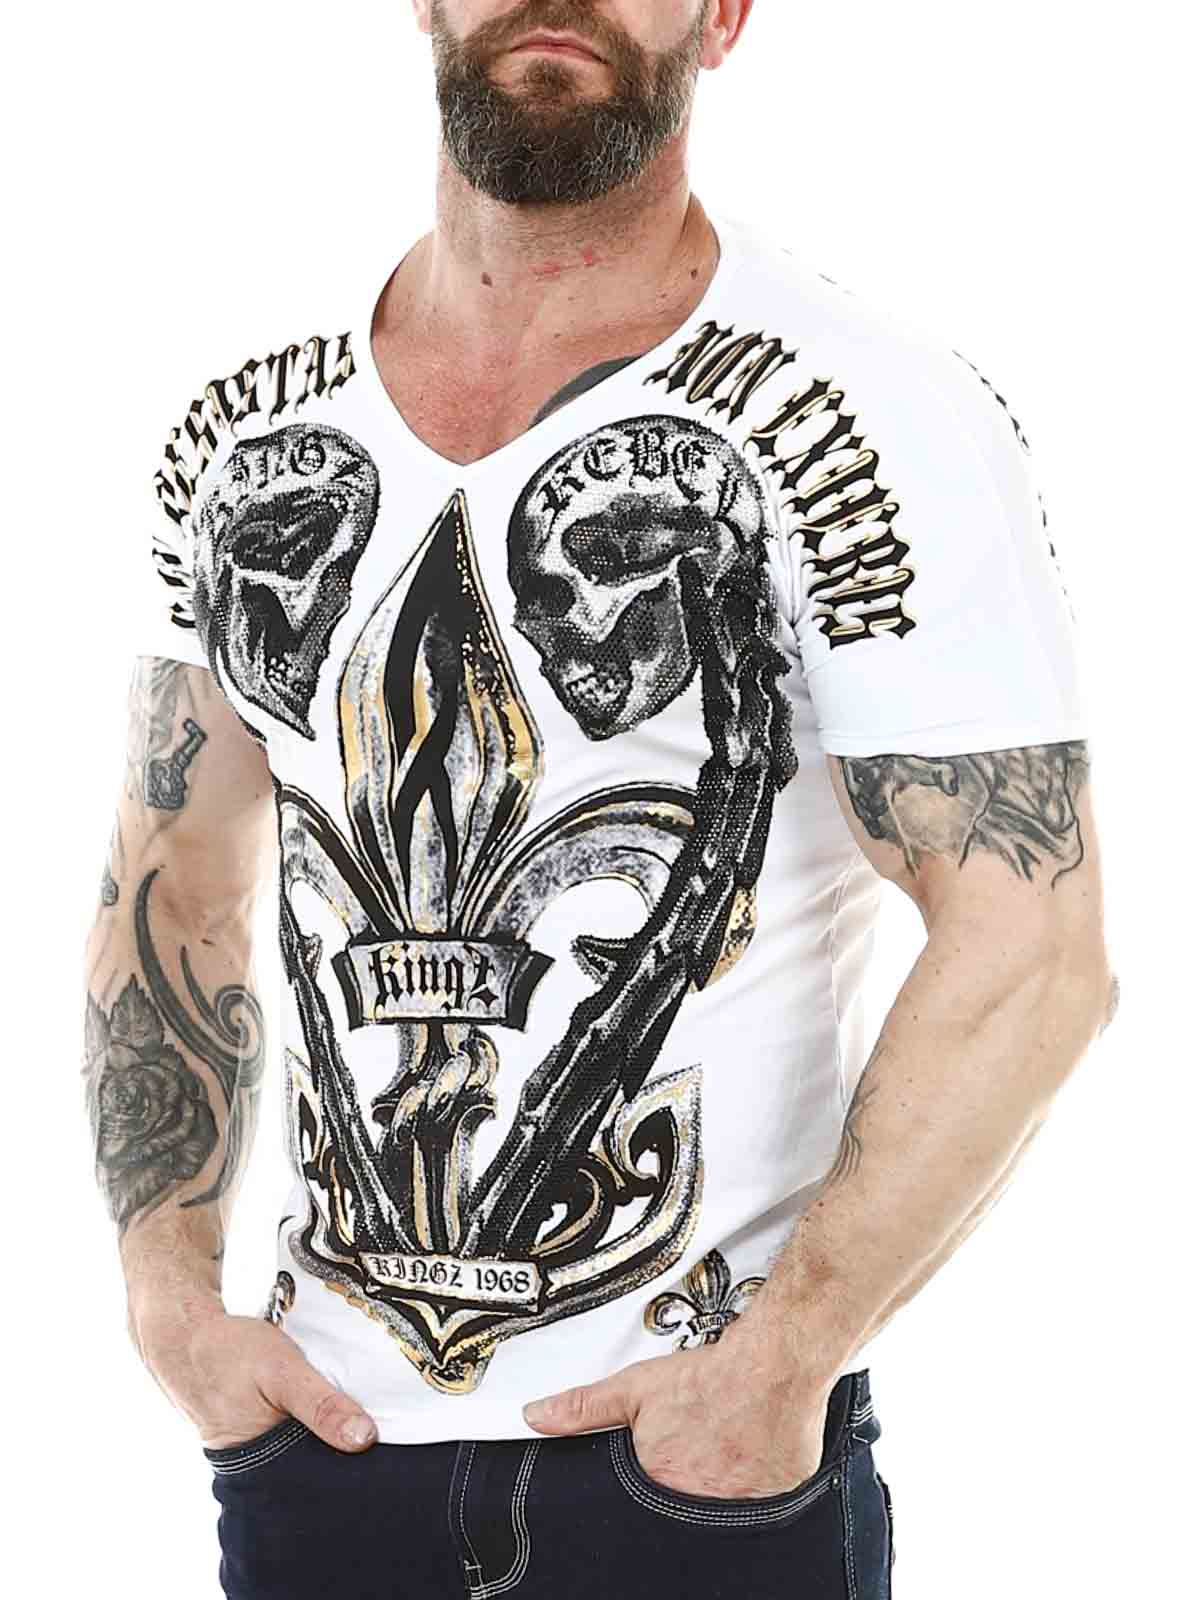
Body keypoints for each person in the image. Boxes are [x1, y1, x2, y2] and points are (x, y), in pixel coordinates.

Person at [82, 2, 1119, 1596]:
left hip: (695, 1477)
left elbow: (1032, 943)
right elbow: (174, 868)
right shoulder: (250, 434)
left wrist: (778, 1365)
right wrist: (168, 1300)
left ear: (723, 13)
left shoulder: (875, 411)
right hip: (316, 1463)